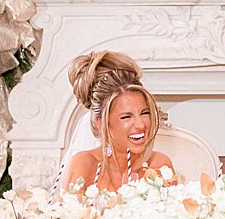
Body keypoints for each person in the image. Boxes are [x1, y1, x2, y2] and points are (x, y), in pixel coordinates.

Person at [61, 51, 175, 194]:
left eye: (144, 113)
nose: (141, 125)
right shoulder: (84, 165)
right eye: (126, 117)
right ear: (101, 124)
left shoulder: (160, 165)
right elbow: (68, 215)